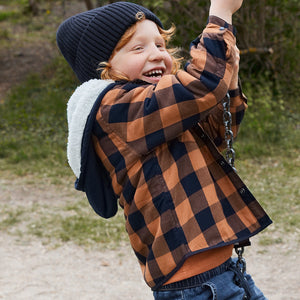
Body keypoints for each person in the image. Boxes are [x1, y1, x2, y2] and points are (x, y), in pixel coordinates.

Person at [56, 1, 272, 299]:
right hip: (196, 287)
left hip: (225, 272)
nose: (157, 54)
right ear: (103, 68)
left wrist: (229, 76)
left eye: (160, 44)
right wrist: (220, 13)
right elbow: (202, 84)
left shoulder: (158, 108)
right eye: (138, 48)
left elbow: (219, 132)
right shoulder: (115, 109)